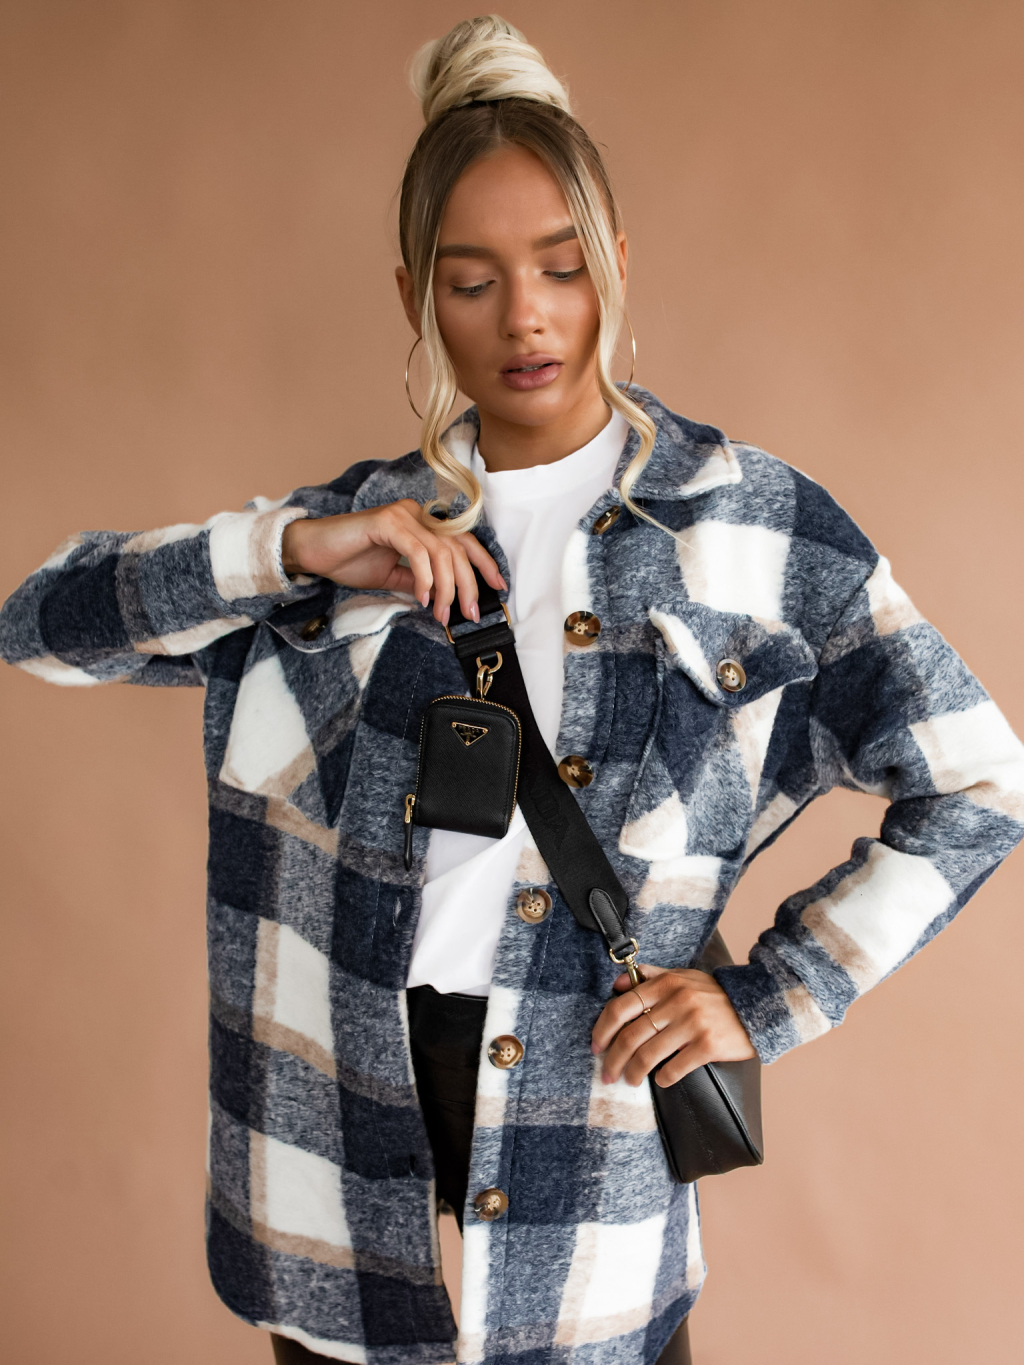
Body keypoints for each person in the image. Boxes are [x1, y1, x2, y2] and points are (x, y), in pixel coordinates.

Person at [2, 14, 1022, 1365]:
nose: (525, 317)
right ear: (417, 296)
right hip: (331, 1162)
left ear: (614, 261)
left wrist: (769, 995)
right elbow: (39, 625)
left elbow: (979, 780)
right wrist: (293, 547)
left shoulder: (754, 528)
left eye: (560, 266)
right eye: (472, 281)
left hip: (586, 1152)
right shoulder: (354, 536)